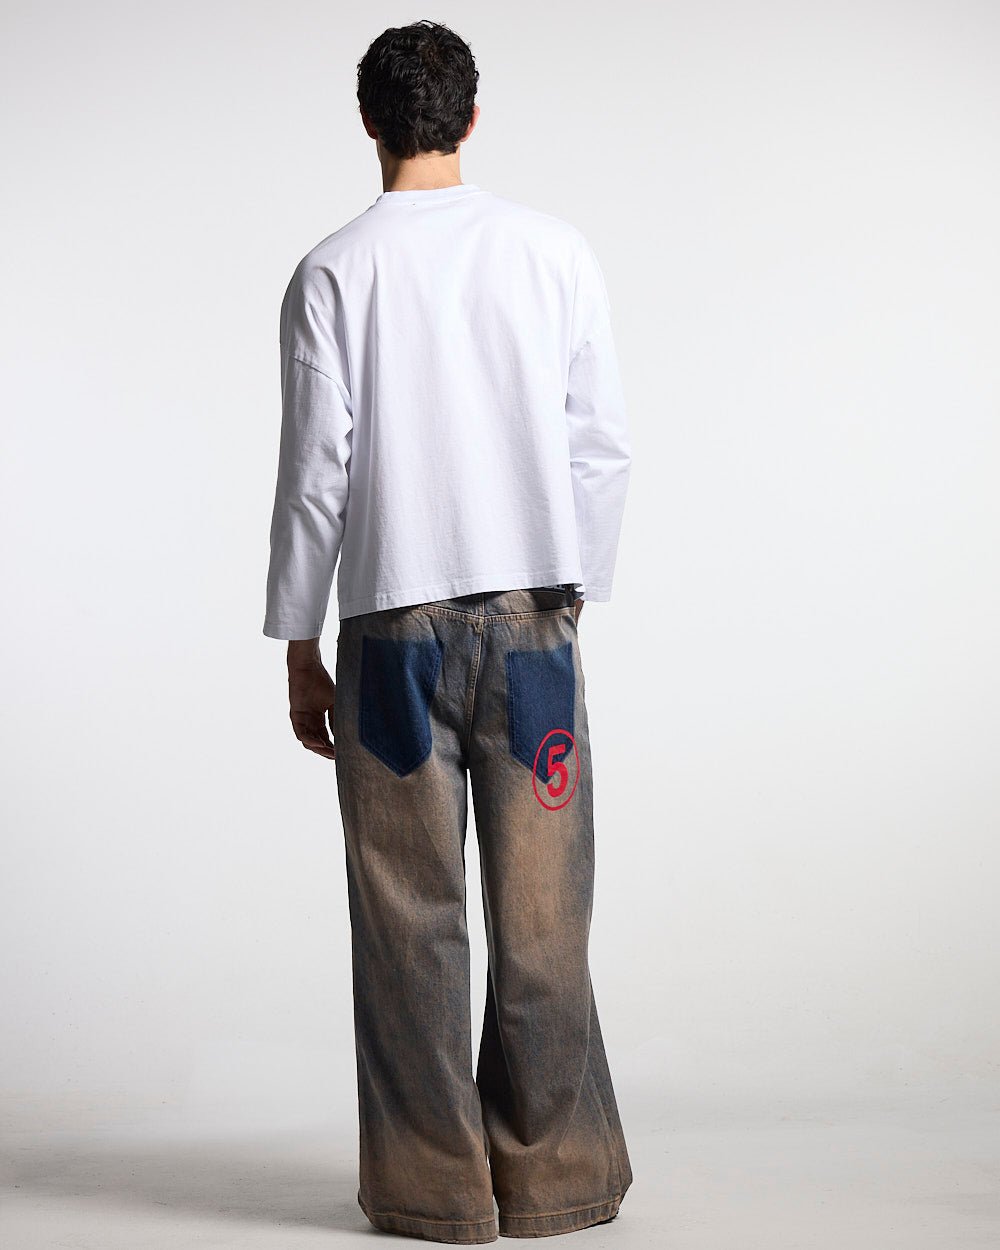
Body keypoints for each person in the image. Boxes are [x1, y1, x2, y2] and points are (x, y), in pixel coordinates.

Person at [263, 19, 632, 1245]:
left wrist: (299, 641)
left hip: (388, 630)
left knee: (406, 920)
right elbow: (600, 446)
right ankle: (552, 1176)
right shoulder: (552, 250)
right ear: (471, 117)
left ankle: (436, 1191)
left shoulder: (332, 271)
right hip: (532, 623)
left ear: (368, 121)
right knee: (544, 918)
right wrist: (569, 595)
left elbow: (317, 473)